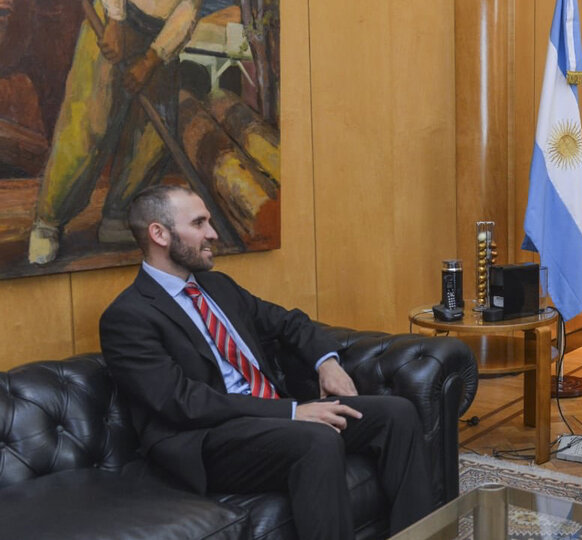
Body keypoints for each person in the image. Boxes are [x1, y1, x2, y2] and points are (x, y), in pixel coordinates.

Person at [99, 184, 433, 539]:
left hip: (271, 419)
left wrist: (327, 363)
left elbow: (289, 322)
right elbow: (181, 402)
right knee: (317, 440)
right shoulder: (127, 316)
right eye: (199, 223)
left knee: (397, 414)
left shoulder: (218, 286)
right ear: (159, 234)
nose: (212, 234)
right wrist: (291, 412)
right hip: (206, 440)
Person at [28, 0, 201, 265]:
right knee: (90, 123)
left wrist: (152, 59)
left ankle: (118, 216)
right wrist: (115, 20)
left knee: (153, 136)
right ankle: (48, 222)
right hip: (115, 15)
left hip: (159, 33)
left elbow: (189, 7)